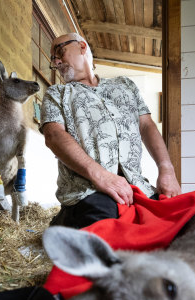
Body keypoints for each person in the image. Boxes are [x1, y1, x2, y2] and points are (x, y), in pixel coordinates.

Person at [40, 33, 181, 229]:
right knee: (110, 230)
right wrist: (101, 176)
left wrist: (167, 170)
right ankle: (65, 221)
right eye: (53, 60)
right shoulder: (57, 94)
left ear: (82, 47)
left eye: (59, 52)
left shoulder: (125, 85)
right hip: (88, 191)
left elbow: (147, 125)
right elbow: (54, 136)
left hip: (136, 186)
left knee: (183, 219)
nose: (56, 61)